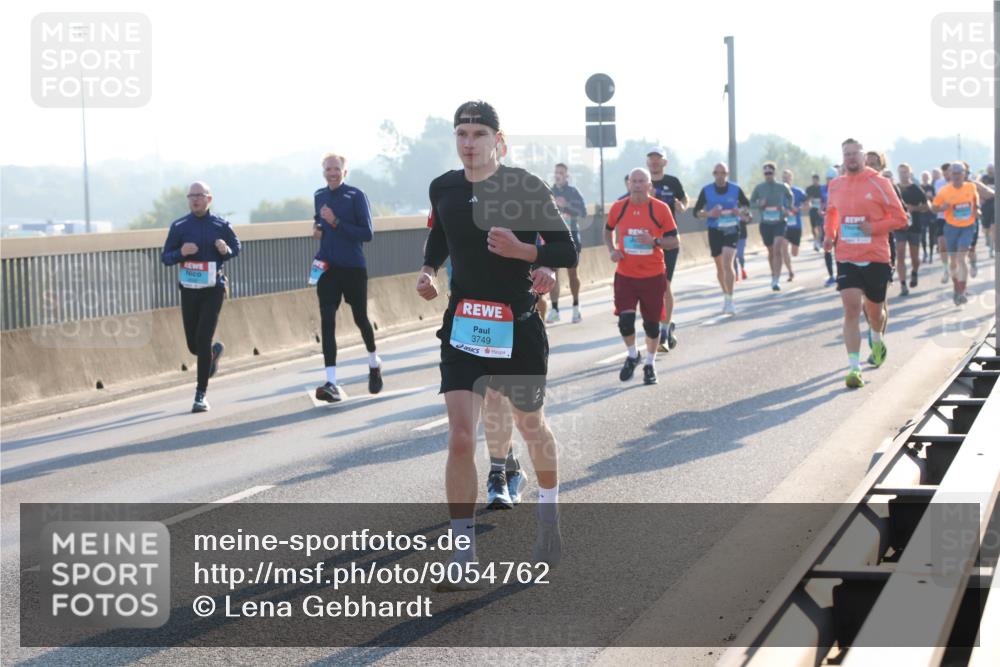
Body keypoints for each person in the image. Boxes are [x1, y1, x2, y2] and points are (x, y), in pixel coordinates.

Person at [417, 100, 577, 582]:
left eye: (479, 134)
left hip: (518, 325)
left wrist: (526, 252)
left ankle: (548, 521)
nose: (469, 143)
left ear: (497, 141)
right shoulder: (443, 187)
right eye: (462, 134)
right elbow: (440, 239)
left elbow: (567, 247)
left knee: (532, 429)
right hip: (464, 327)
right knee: (462, 437)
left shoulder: (525, 186)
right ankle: (462, 552)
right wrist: (427, 272)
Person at [824, 138, 908, 388]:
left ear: (863, 156)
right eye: (846, 154)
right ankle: (854, 368)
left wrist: (874, 227)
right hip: (847, 256)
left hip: (876, 256)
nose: (850, 158)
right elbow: (832, 213)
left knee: (874, 312)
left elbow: (900, 218)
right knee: (851, 309)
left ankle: (877, 338)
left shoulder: (879, 182)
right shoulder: (836, 185)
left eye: (854, 154)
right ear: (843, 158)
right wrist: (829, 235)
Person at [161, 181, 241, 413]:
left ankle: (200, 395)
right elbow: (165, 257)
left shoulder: (221, 224)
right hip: (189, 289)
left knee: (203, 337)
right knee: (194, 345)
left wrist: (225, 249)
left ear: (209, 199)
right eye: (191, 196)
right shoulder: (179, 226)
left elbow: (237, 247)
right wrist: (181, 253)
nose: (195, 199)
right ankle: (213, 354)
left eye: (200, 195)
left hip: (213, 289)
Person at [310, 153, 383, 402]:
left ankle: (374, 361)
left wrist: (336, 222)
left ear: (345, 171)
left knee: (360, 318)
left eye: (336, 169)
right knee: (327, 320)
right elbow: (319, 222)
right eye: (328, 169)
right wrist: (319, 228)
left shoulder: (356, 195)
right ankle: (331, 382)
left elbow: (367, 233)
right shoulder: (319, 196)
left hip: (352, 267)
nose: (332, 172)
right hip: (327, 268)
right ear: (323, 172)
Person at [605, 168, 678, 384]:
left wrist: (654, 242)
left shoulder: (660, 209)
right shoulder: (619, 207)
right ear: (629, 184)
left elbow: (675, 241)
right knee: (625, 323)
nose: (637, 184)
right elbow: (607, 230)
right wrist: (612, 249)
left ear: (649, 185)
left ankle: (649, 363)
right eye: (633, 181)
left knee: (651, 325)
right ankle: (632, 355)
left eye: (641, 181)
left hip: (653, 276)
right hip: (626, 275)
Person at [693, 162, 750, 314]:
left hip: (732, 228)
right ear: (713, 174)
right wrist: (709, 213)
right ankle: (726, 294)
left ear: (727, 174)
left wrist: (740, 211)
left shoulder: (735, 189)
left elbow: (746, 206)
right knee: (719, 266)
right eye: (717, 173)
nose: (720, 176)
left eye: (723, 173)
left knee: (727, 263)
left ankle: (730, 300)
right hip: (715, 230)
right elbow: (696, 212)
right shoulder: (706, 190)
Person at [646, 147, 686, 352]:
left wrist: (681, 206)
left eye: (657, 159)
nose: (654, 162)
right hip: (647, 241)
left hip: (668, 239)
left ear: (664, 162)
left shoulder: (672, 182)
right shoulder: (642, 183)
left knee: (665, 283)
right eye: (651, 159)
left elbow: (684, 200)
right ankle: (664, 326)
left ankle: (663, 330)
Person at [548, 163, 587, 324]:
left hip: (571, 237)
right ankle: (555, 309)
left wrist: (566, 206)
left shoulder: (573, 192)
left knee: (572, 274)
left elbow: (583, 212)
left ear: (567, 176)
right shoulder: (549, 191)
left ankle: (576, 306)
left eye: (561, 173)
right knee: (553, 275)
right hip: (553, 238)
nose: (558, 175)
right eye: (556, 172)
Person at [750, 162, 794, 291]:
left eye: (770, 173)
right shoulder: (759, 188)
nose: (768, 175)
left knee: (777, 249)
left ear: (774, 173)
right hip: (766, 223)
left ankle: (776, 280)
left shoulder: (782, 186)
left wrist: (787, 208)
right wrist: (759, 204)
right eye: (765, 173)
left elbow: (790, 196)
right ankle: (773, 274)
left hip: (779, 222)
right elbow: (751, 202)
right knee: (770, 251)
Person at [895, 163, 930, 296]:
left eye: (905, 172)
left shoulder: (916, 188)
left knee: (915, 257)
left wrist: (914, 208)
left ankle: (914, 272)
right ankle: (903, 285)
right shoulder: (895, 188)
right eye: (901, 172)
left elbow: (926, 206)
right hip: (899, 227)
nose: (903, 175)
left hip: (914, 226)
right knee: (900, 253)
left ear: (910, 173)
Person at [781, 169, 807, 281]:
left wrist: (798, 208)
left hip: (796, 226)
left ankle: (791, 264)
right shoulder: (779, 192)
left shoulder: (798, 192)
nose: (786, 179)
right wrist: (783, 211)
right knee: (784, 248)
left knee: (794, 253)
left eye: (788, 177)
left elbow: (807, 204)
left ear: (791, 179)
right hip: (784, 225)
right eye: (784, 177)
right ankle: (790, 271)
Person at [934, 163, 952, 284]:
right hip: (941, 217)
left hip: (955, 219)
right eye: (944, 173)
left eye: (948, 172)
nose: (947, 175)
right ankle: (946, 269)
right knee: (942, 244)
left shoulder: (957, 182)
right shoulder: (938, 183)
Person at [920, 170, 936, 263]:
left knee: (931, 235)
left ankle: (930, 254)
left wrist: (931, 197)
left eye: (926, 177)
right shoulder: (920, 187)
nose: (925, 178)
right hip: (922, 214)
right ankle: (925, 252)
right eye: (924, 177)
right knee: (922, 235)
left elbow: (936, 200)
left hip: (931, 214)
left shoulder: (931, 187)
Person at [806, 173, 825, 252]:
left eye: (816, 180)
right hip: (812, 210)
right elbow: (806, 200)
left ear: (818, 180)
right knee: (814, 227)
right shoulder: (809, 189)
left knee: (819, 227)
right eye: (813, 180)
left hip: (820, 210)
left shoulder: (822, 188)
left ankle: (818, 241)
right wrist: (809, 202)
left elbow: (824, 199)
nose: (814, 182)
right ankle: (816, 240)